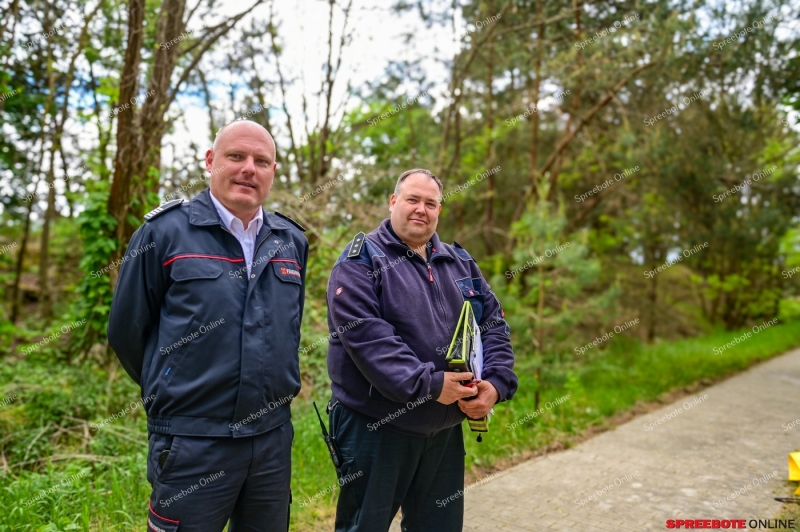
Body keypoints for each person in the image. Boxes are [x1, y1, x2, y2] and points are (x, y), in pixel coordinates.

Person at [107, 120, 308, 532]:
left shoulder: (290, 240)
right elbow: (127, 331)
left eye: (261, 161)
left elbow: (289, 328)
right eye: (236, 156)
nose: (249, 168)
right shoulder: (163, 233)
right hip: (191, 443)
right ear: (211, 161)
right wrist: (172, 385)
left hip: (271, 440)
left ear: (273, 171)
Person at [325, 168, 518, 532]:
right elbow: (370, 341)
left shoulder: (460, 262)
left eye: (431, 203)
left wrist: (496, 383)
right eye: (412, 199)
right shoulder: (360, 262)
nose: (421, 209)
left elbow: (493, 324)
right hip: (376, 429)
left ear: (439, 211)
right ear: (393, 201)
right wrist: (430, 385)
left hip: (443, 433)